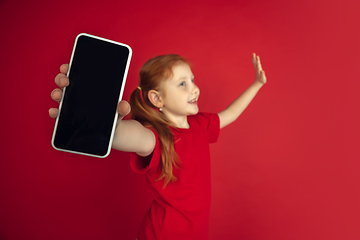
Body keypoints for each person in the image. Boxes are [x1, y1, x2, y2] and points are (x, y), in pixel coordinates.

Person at [49, 53, 267, 240]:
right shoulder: (156, 137)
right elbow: (124, 136)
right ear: (157, 98)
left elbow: (229, 114)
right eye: (183, 84)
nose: (195, 88)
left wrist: (257, 83)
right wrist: (103, 121)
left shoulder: (201, 123)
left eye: (192, 80)